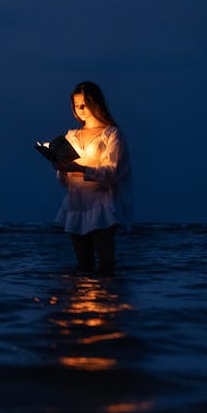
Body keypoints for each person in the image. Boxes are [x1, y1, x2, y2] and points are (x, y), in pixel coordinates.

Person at [52, 81, 132, 276]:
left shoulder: (111, 134)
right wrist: (62, 169)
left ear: (95, 103)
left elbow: (111, 172)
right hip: (75, 205)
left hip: (101, 206)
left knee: (105, 266)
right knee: (83, 267)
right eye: (75, 105)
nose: (80, 110)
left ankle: (106, 302)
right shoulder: (71, 136)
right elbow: (63, 182)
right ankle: (82, 304)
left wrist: (80, 168)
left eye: (83, 104)